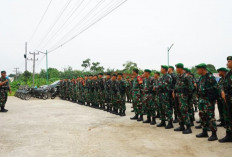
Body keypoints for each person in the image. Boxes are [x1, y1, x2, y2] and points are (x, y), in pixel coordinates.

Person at [195, 63, 218, 141]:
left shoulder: (210, 77)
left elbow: (215, 89)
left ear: (202, 69)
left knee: (210, 117)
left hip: (208, 100)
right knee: (202, 116)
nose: (197, 70)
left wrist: (212, 99)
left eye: (198, 69)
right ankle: (204, 132)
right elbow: (199, 87)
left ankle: (214, 134)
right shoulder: (201, 77)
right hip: (201, 100)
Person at [173, 64, 194, 134]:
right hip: (177, 95)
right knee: (178, 110)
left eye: (177, 68)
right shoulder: (178, 76)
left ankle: (188, 127)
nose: (176, 69)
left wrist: (187, 97)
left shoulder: (187, 76)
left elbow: (191, 88)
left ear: (180, 68)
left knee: (184, 111)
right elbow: (176, 86)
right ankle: (181, 125)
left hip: (183, 96)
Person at [219, 56, 232, 143]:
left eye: (229, 61)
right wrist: (223, 91)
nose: (227, 63)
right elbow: (223, 85)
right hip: (227, 99)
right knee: (227, 117)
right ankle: (229, 135)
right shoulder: (228, 74)